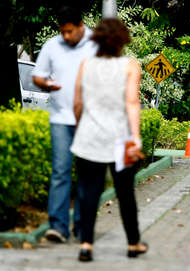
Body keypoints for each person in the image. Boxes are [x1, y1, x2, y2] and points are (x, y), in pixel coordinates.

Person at [70, 18, 147, 262]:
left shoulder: (86, 65)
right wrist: (136, 138)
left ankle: (86, 245)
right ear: (123, 40)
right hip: (120, 141)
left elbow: (77, 104)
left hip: (88, 139)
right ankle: (133, 243)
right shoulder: (130, 66)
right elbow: (132, 103)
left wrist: (82, 126)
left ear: (97, 39)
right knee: (125, 193)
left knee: (89, 193)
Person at [32, 6, 98, 243]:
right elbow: (38, 74)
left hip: (88, 121)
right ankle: (58, 227)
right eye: (63, 32)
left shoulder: (96, 44)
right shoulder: (52, 45)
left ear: (81, 26)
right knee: (60, 172)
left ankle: (81, 226)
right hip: (60, 119)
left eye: (70, 31)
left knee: (85, 174)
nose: (66, 37)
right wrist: (46, 85)